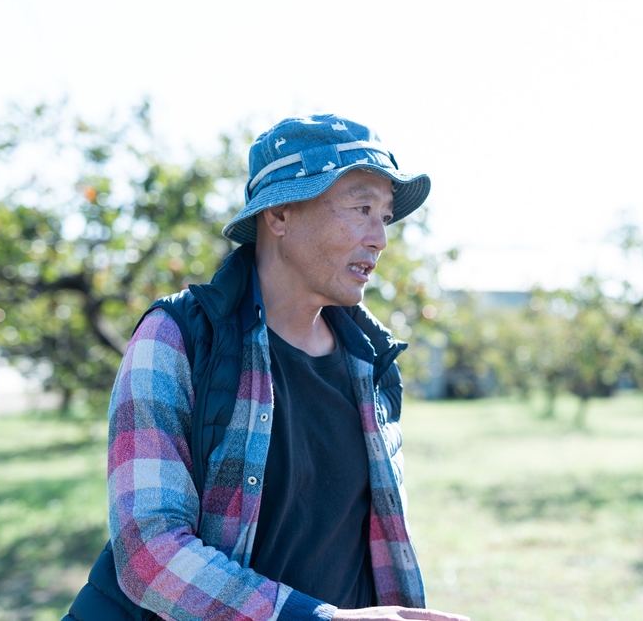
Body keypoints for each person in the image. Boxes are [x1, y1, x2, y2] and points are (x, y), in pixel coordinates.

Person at [98, 115, 468, 621]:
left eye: (385, 216)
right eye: (362, 209)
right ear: (279, 214)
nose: (380, 238)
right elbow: (148, 553)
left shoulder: (371, 360)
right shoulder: (177, 339)